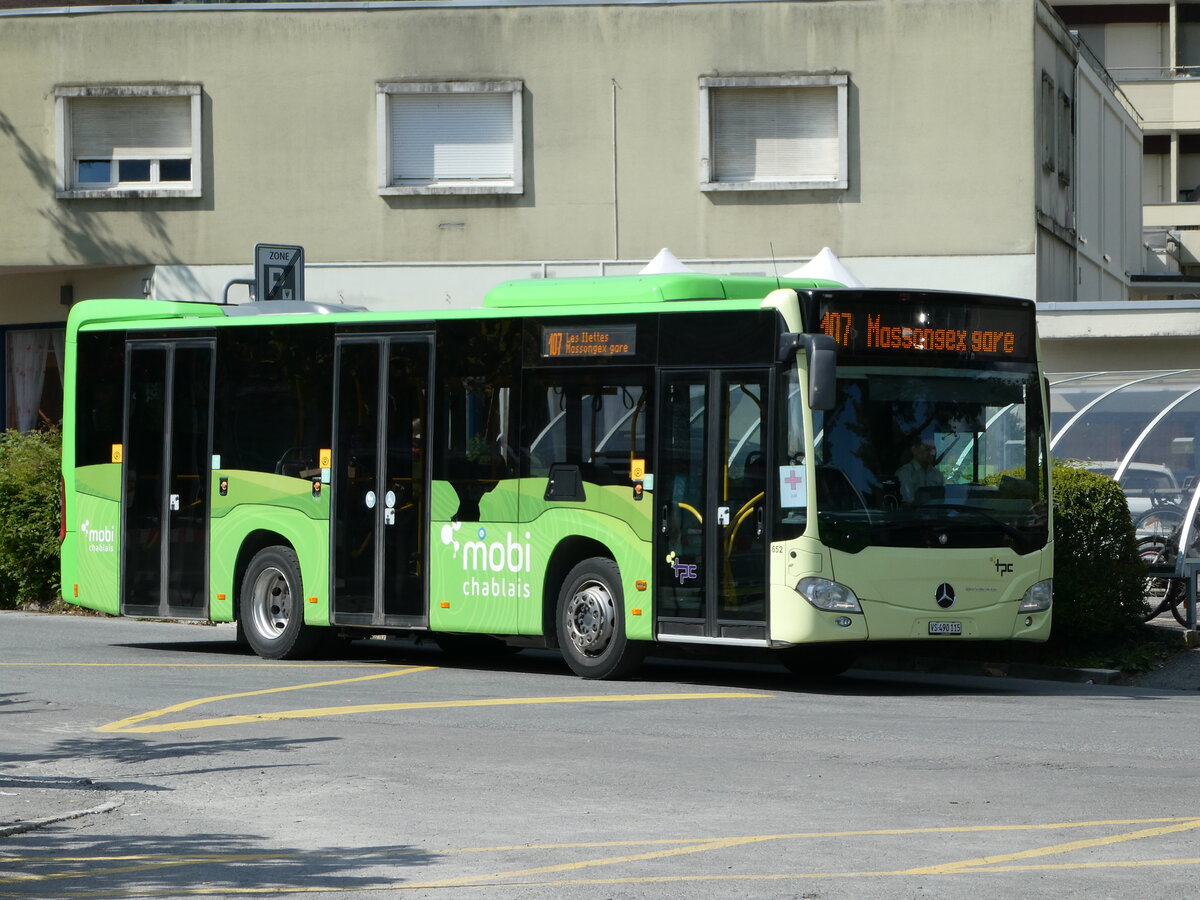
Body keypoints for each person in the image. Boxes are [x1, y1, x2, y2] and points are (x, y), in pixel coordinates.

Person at [896, 436, 943, 503]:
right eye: (927, 448)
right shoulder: (904, 473)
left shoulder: (937, 474)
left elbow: (941, 501)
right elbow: (907, 503)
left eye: (933, 449)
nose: (932, 453)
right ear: (914, 450)